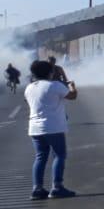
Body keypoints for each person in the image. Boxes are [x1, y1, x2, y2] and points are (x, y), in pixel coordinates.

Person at [25, 60, 78, 200]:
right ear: (50, 72)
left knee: (40, 157)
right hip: (53, 127)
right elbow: (72, 96)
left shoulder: (29, 88)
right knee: (59, 156)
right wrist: (73, 87)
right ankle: (57, 187)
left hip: (35, 129)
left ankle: (37, 189)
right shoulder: (54, 85)